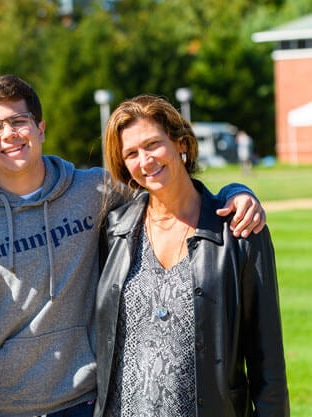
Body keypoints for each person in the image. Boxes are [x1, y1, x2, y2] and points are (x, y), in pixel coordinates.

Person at [0, 75, 266, 417]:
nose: (9, 134)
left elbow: (167, 189)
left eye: (18, 121)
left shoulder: (95, 192)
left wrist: (235, 192)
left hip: (87, 402)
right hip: (4, 407)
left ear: (40, 128)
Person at [95, 95, 289, 417]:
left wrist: (239, 191)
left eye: (153, 144)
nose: (145, 161)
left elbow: (267, 358)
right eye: (131, 153)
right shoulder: (114, 231)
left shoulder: (239, 231)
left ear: (181, 144)